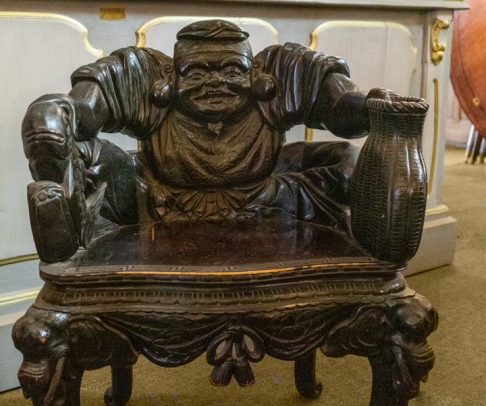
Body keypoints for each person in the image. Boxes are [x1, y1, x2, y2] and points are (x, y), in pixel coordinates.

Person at [22, 19, 386, 241]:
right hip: (154, 202)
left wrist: (371, 107)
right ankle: (64, 224)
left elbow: (341, 108)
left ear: (256, 74)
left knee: (350, 162)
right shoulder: (142, 75)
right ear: (170, 77)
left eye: (232, 70)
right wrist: (56, 113)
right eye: (196, 72)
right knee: (78, 152)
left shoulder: (283, 72)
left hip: (271, 202)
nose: (215, 82)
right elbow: (86, 109)